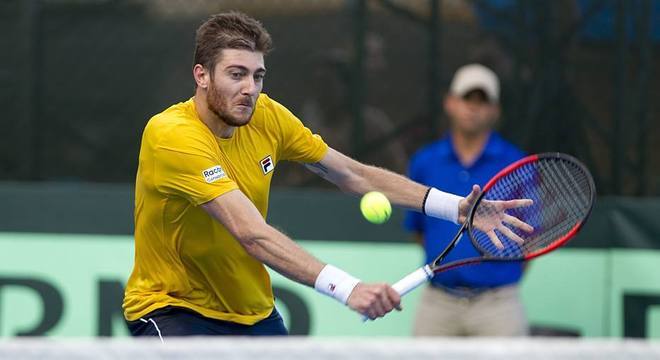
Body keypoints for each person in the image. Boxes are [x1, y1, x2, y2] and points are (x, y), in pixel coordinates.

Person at [122, 13, 530, 338]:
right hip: (173, 309)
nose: (250, 88)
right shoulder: (171, 135)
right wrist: (348, 288)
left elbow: (351, 173)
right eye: (236, 74)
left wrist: (456, 207)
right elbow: (251, 233)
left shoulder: (267, 115)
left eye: (258, 75)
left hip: (251, 312)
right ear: (201, 75)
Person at [404, 64, 529, 336]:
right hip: (437, 303)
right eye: (466, 99)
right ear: (450, 103)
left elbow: (528, 237)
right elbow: (418, 230)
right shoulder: (424, 162)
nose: (473, 108)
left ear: (495, 111)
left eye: (482, 101)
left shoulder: (516, 163)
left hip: (498, 305)